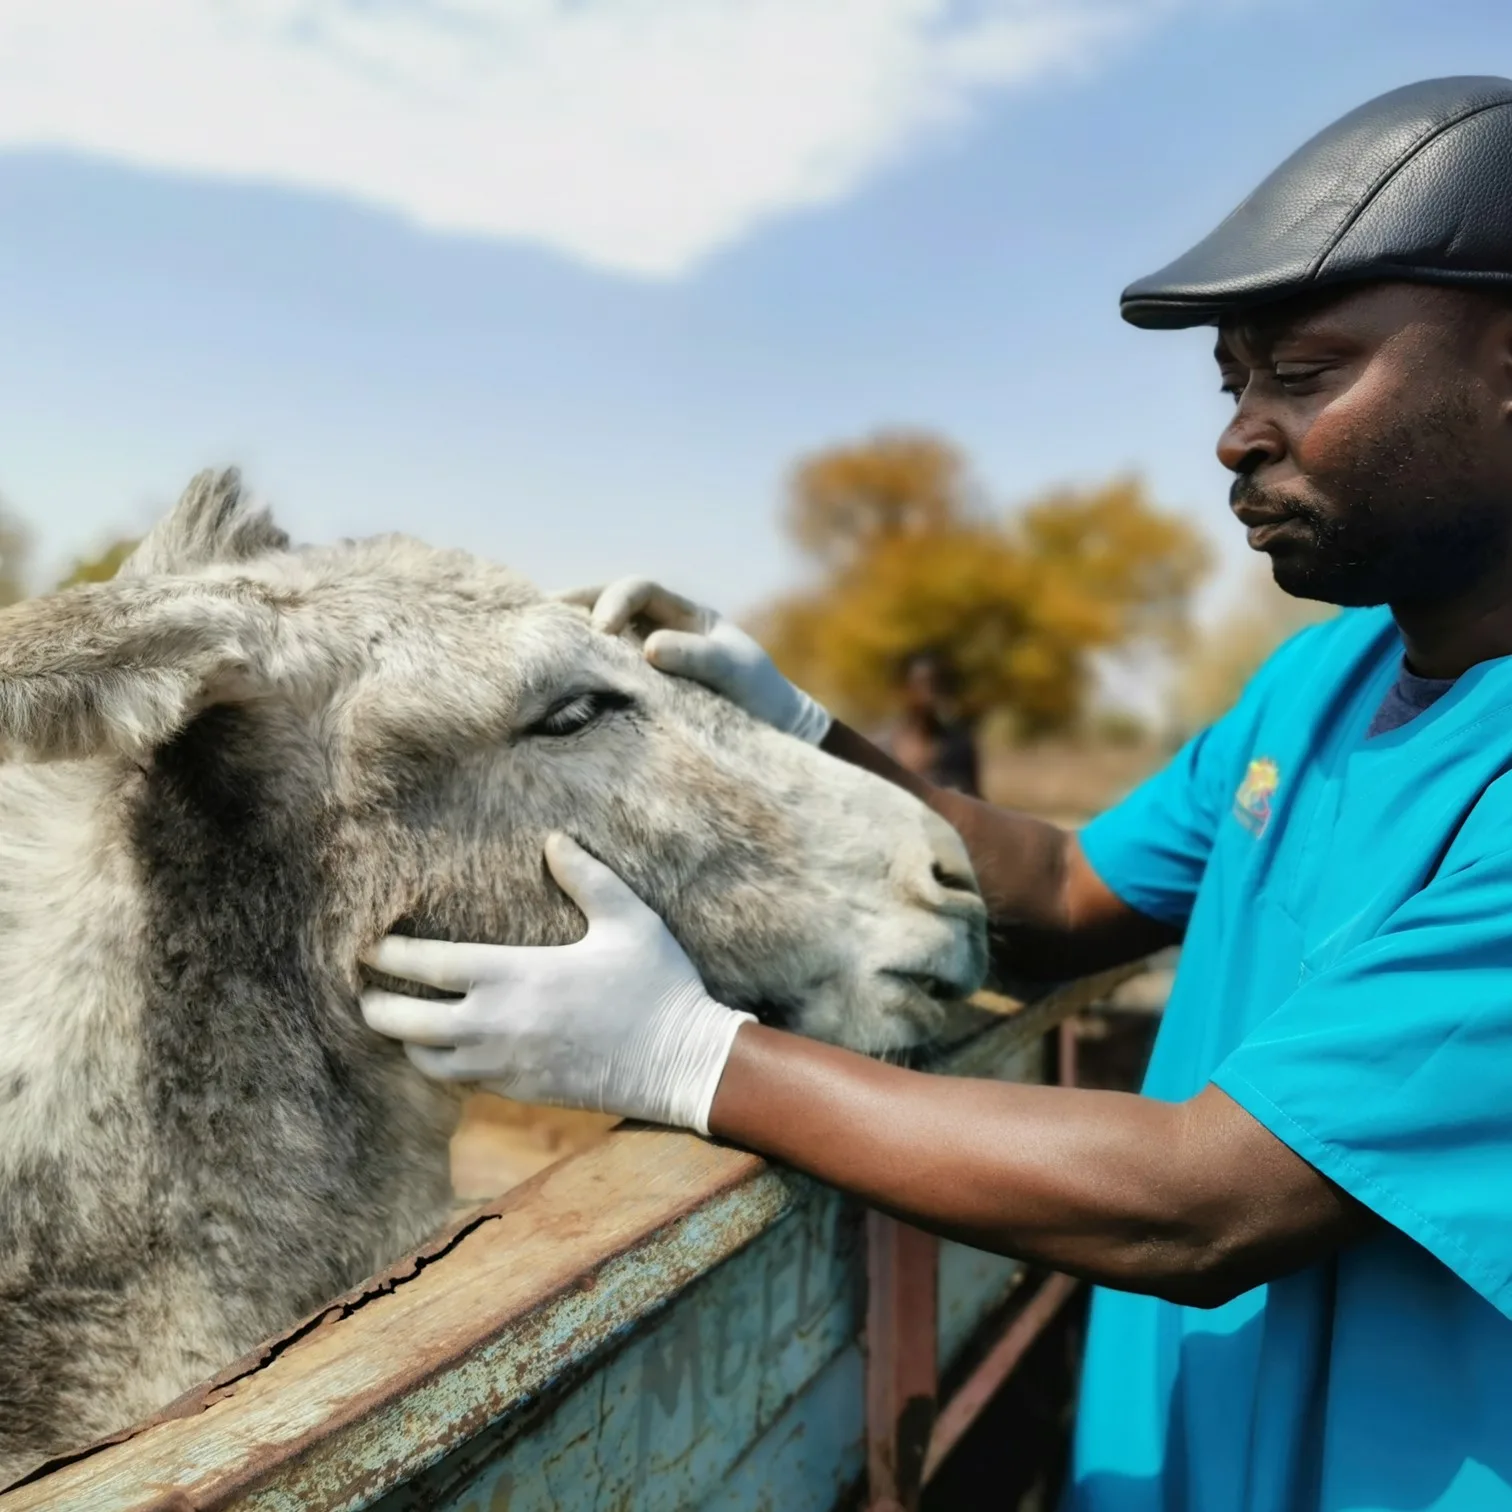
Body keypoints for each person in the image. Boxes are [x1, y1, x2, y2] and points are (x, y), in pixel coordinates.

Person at [361, 77, 1512, 1512]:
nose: (1237, 435)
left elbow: (1208, 1203)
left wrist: (686, 1060)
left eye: (1305, 372)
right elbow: (1067, 894)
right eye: (1233, 384)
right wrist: (801, 726)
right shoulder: (1323, 684)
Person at [882, 648, 982, 796]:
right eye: (922, 683)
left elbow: (976, 804)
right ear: (906, 689)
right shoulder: (883, 748)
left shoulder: (959, 748)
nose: (929, 693)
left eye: (936, 684)